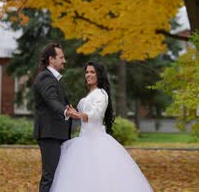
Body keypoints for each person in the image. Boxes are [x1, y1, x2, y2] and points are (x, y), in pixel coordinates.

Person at [50, 61, 153, 192]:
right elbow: (85, 114)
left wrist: (79, 115)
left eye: (92, 72)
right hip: (83, 140)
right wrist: (74, 112)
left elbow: (95, 114)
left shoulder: (101, 94)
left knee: (99, 177)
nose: (88, 74)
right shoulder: (90, 94)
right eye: (87, 72)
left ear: (99, 75)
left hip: (96, 142)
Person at [33, 43, 80, 192]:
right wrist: (66, 112)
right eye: (61, 57)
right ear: (51, 59)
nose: (64, 60)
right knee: (50, 176)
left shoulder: (53, 79)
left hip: (57, 134)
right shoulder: (45, 77)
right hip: (49, 134)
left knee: (59, 176)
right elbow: (52, 100)